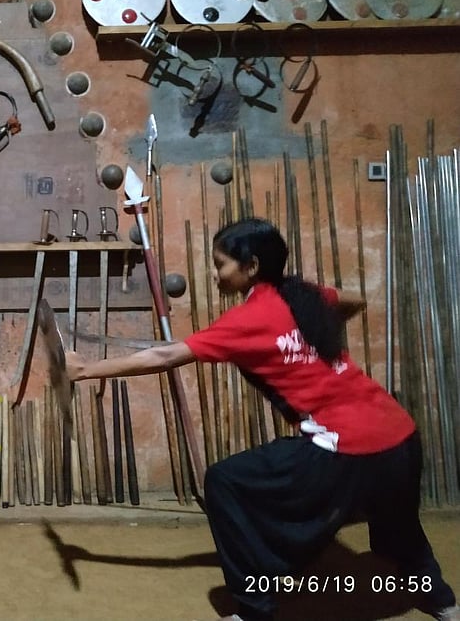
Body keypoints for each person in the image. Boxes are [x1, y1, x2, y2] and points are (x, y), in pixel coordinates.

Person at [65, 217, 458, 621]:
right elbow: (352, 301)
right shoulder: (307, 295)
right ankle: (443, 601)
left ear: (250, 267)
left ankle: (254, 608)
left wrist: (85, 370)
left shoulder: (247, 320)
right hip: (400, 435)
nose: (216, 274)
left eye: (221, 265)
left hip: (344, 446)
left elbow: (164, 356)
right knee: (402, 526)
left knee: (224, 481)